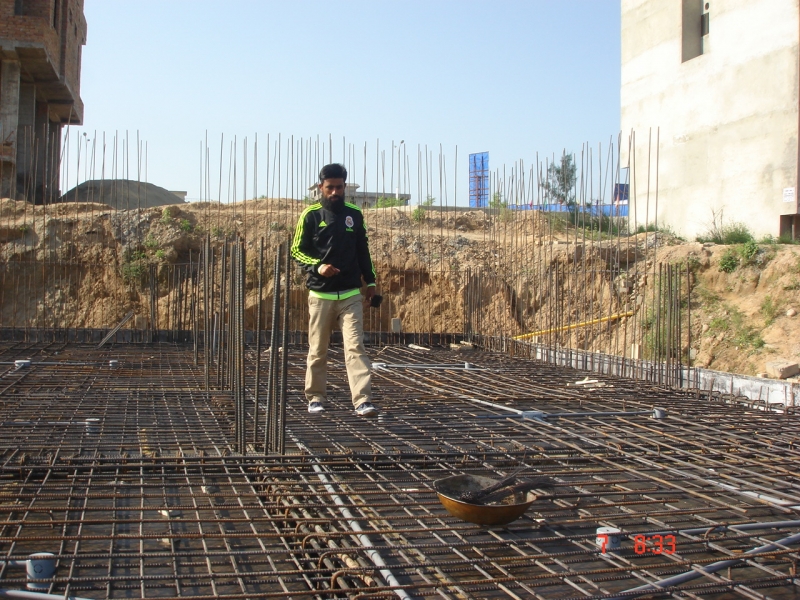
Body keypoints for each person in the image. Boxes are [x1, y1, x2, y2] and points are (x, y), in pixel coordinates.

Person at [291, 163, 379, 416]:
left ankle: (362, 400)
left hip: (351, 294)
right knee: (318, 349)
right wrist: (318, 266)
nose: (335, 192)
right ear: (321, 187)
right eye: (330, 187)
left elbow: (363, 250)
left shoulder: (354, 214)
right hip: (321, 295)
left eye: (339, 187)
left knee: (355, 347)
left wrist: (371, 282)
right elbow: (296, 250)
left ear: (344, 187)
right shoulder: (310, 215)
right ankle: (315, 397)